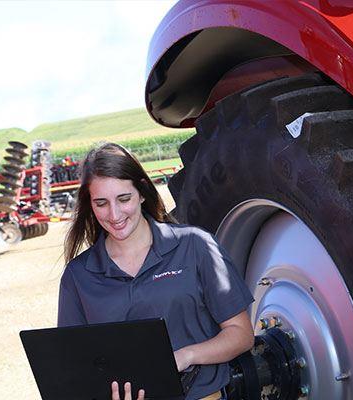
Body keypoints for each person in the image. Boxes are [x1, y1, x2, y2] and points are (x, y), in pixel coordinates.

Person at [58, 143, 255, 400]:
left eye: (124, 198)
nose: (114, 214)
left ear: (141, 192)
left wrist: (186, 356)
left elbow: (241, 334)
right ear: (90, 205)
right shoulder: (78, 276)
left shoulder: (195, 245)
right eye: (101, 203)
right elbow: (73, 365)